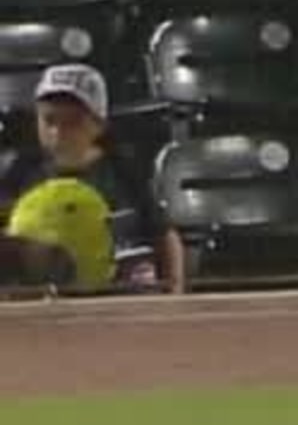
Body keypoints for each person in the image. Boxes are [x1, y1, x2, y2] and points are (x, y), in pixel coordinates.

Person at [0, 64, 182, 295]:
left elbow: (163, 233)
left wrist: (175, 292)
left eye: (72, 122)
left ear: (99, 124)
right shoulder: (22, 171)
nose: (57, 132)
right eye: (49, 120)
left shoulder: (123, 171)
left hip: (119, 298)